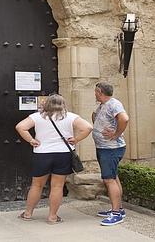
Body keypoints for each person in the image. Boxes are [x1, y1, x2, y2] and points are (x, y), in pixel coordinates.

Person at [15, 94, 93, 224]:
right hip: (63, 154)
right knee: (57, 186)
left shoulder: (37, 116)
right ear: (63, 104)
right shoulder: (71, 116)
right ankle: (52, 217)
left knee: (37, 185)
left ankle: (28, 214)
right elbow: (88, 127)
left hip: (42, 154)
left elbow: (20, 127)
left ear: (47, 104)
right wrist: (76, 139)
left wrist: (31, 140)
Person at [91, 81, 130, 226]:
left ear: (100, 92)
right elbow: (95, 117)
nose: (94, 94)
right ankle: (118, 208)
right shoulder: (103, 105)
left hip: (111, 148)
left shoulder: (114, 104)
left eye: (96, 91)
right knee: (113, 177)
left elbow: (124, 118)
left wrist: (116, 133)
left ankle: (116, 214)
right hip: (105, 147)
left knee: (109, 180)